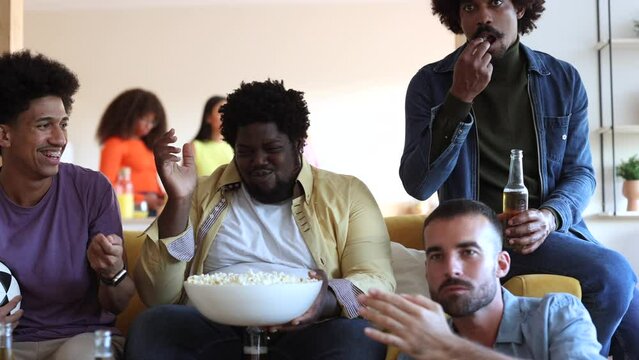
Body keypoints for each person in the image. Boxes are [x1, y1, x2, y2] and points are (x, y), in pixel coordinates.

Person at [398, 0, 638, 357]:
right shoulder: (429, 84)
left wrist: (550, 217)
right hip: (476, 237)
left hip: (546, 233)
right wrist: (459, 98)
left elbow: (581, 173)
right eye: (468, 7)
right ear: (455, 16)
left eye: (496, 3)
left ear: (521, 9)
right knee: (614, 274)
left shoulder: (563, 79)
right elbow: (418, 184)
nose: (483, 17)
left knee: (632, 314)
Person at [125, 79, 395, 359]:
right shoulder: (200, 192)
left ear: (298, 143)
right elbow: (157, 296)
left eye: (272, 148)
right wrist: (179, 201)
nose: (258, 160)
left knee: (358, 336)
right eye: (246, 151)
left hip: (308, 330)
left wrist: (325, 299)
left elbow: (378, 278)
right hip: (213, 328)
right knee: (152, 326)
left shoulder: (347, 194)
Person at [0, 50, 134, 359]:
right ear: (4, 135)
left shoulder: (91, 189)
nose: (60, 138)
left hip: (81, 337)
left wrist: (112, 272)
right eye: (44, 125)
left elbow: (118, 301)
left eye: (63, 123)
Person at [359, 199, 605, 360]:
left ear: (501, 264)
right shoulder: (420, 347)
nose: (451, 268)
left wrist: (450, 347)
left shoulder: (558, 315)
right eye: (436, 256)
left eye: (469, 252)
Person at [96, 88, 167, 211]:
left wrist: (162, 196)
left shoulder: (147, 147)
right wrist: (142, 199)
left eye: (153, 121)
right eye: (144, 119)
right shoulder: (115, 144)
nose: (148, 126)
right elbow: (106, 186)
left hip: (152, 208)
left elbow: (151, 177)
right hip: (130, 208)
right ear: (128, 115)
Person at [191, 95, 234, 177]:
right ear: (208, 117)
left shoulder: (235, 145)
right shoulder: (194, 147)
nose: (225, 117)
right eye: (220, 112)